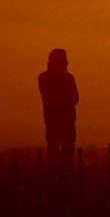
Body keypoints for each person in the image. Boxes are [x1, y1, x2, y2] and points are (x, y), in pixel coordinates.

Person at [38, 48, 79, 178]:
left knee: (57, 157)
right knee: (62, 157)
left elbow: (74, 99)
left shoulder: (43, 77)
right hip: (60, 122)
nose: (67, 63)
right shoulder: (66, 78)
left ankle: (59, 183)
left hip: (56, 121)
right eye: (64, 61)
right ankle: (60, 183)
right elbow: (75, 99)